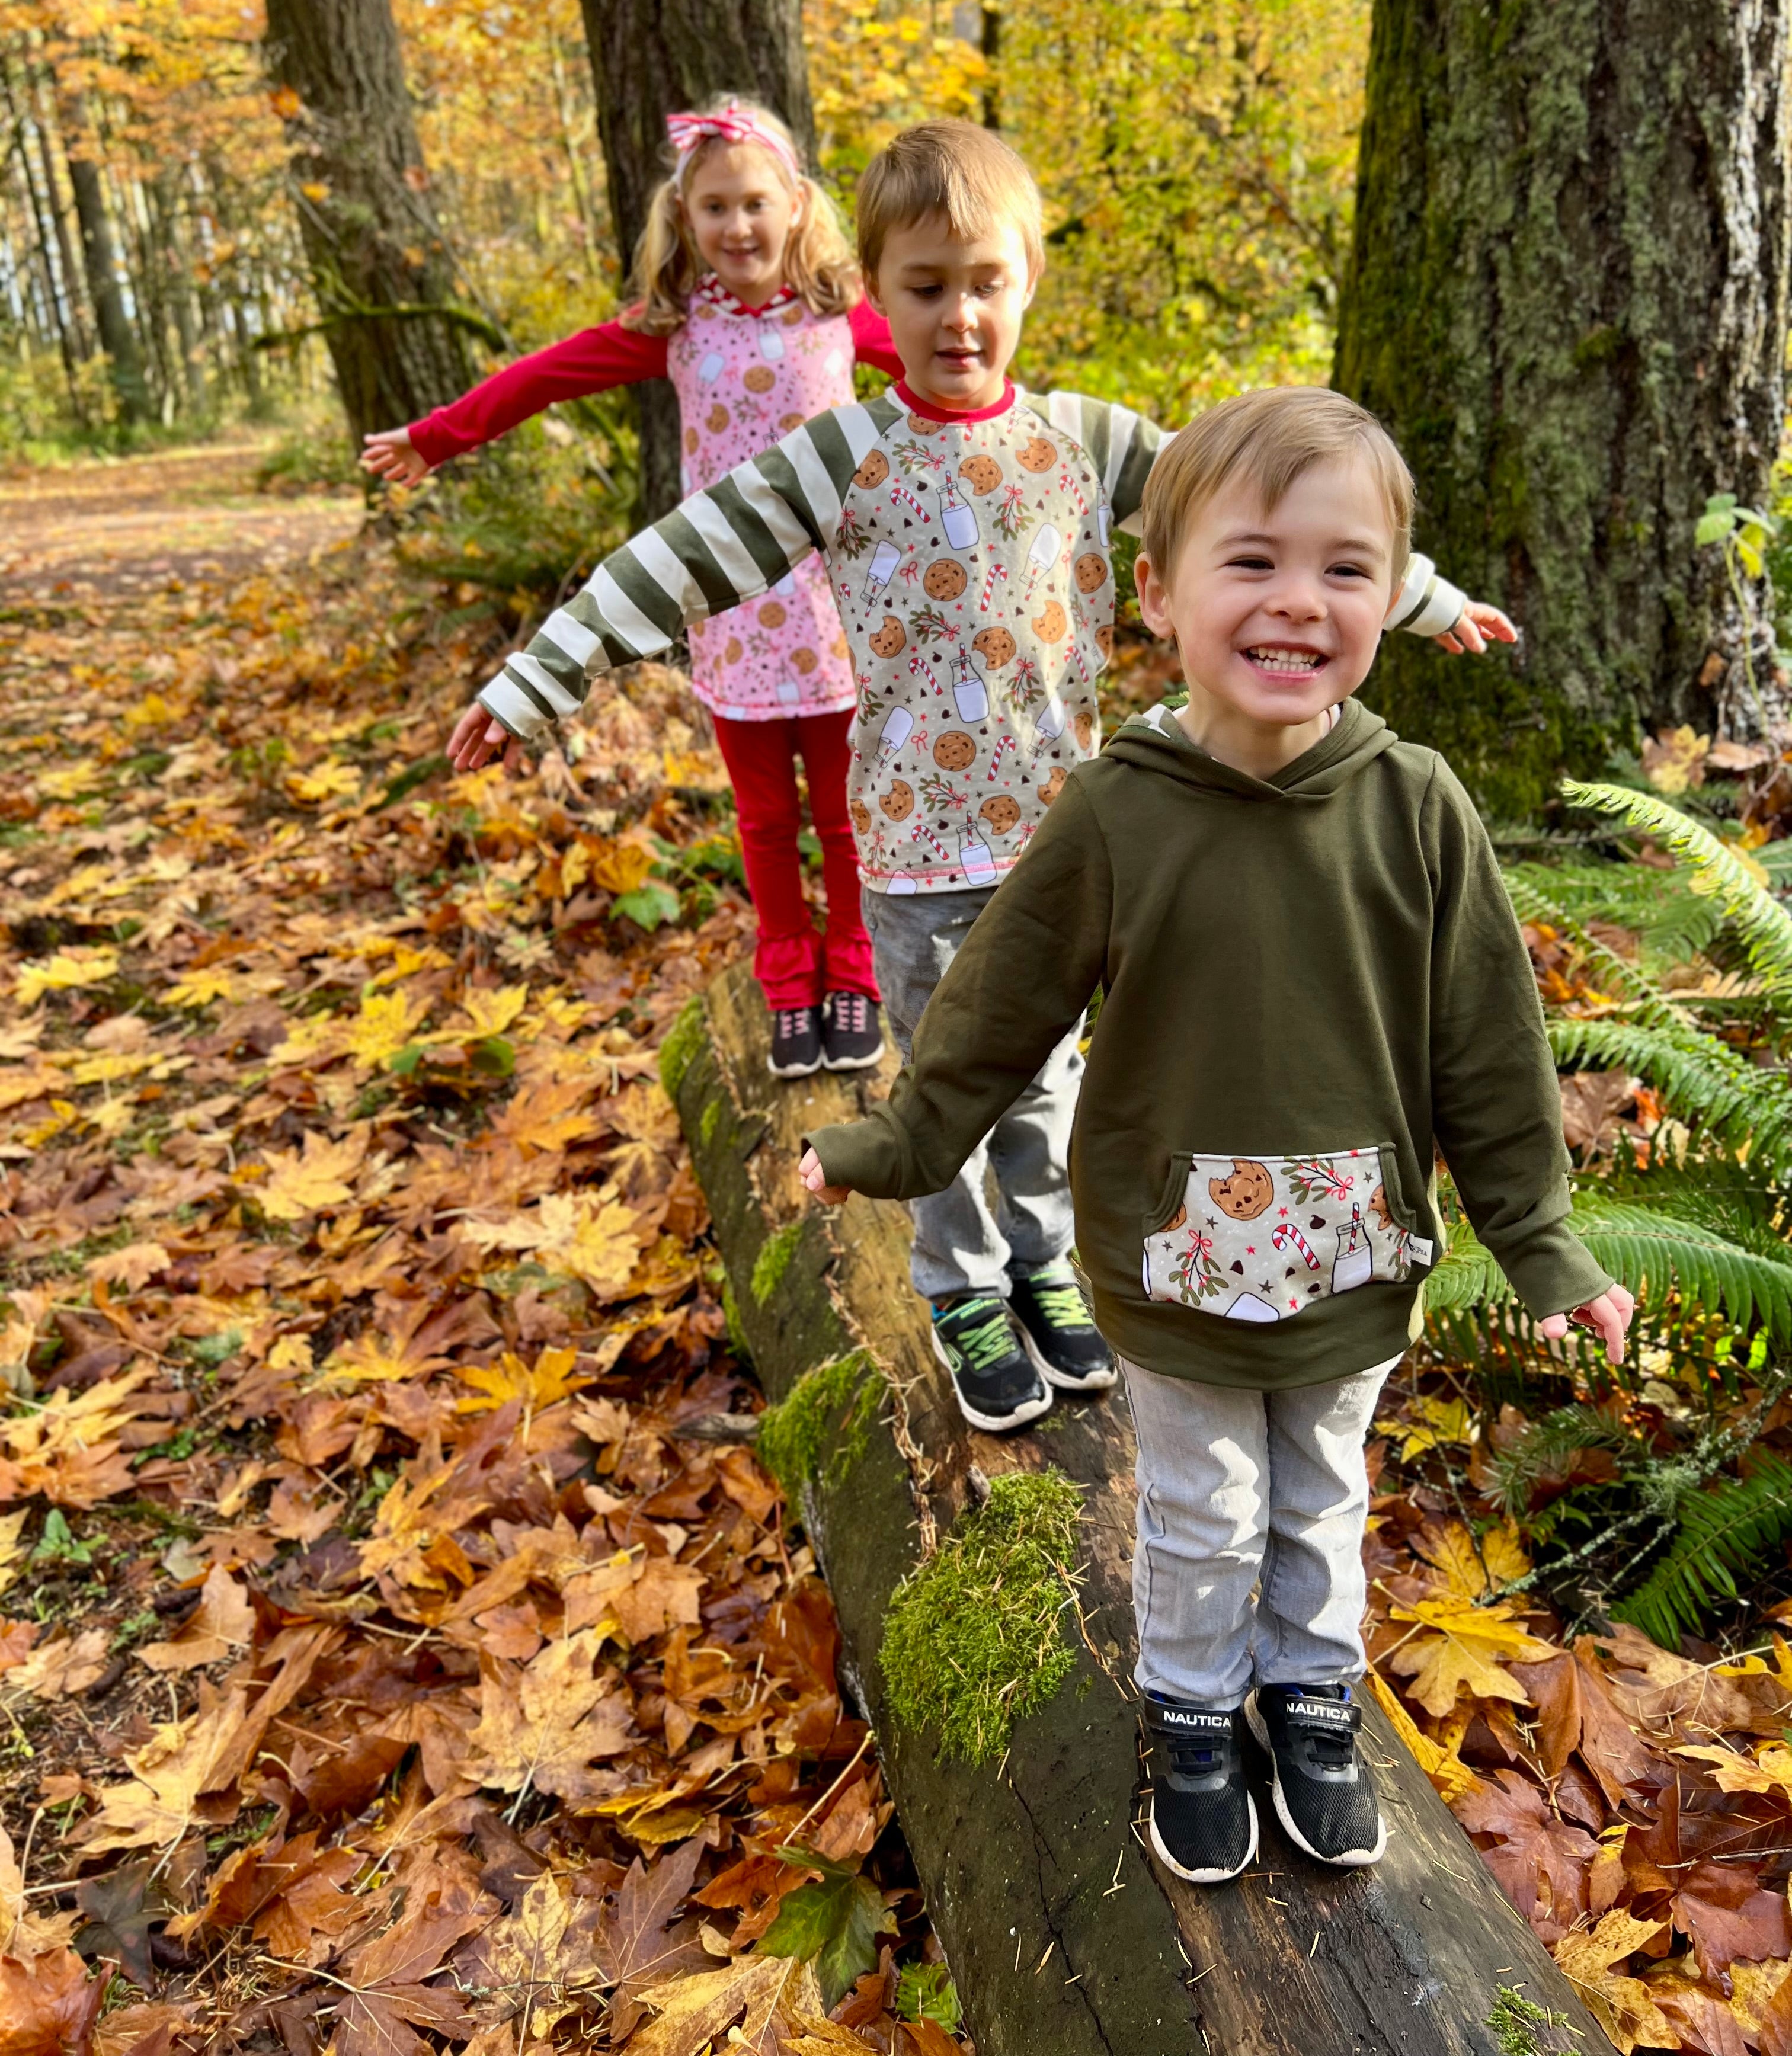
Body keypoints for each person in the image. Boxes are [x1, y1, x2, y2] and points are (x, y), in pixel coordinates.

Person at [443, 121, 1518, 1437]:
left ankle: (1045, 1268)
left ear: (1028, 281)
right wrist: (531, 682)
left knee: (1058, 1080)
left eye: (987, 283)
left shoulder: (1088, 440)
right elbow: (674, 562)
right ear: (876, 297)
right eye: (928, 287)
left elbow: (1263, 515)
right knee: (948, 1075)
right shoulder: (841, 456)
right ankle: (957, 1285)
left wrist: (1420, 595)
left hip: (1072, 845)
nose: (961, 317)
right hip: (912, 852)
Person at [796, 386, 1633, 1881]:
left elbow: (1488, 1053)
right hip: (1174, 1258)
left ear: (1389, 595)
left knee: (1322, 1492)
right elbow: (993, 1011)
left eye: (1345, 568)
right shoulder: (1121, 812)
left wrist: (1546, 1244)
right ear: (1158, 591)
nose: (1298, 602)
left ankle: (1308, 1698)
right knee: (1200, 1504)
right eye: (1252, 561)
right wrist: (896, 1147)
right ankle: (1191, 1707)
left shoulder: (1418, 809)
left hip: (1357, 1247)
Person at [364, 98, 900, 1080]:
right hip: (726, 607)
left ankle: (855, 974)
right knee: (764, 819)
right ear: (685, 220)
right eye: (715, 210)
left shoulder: (842, 316)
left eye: (755, 204)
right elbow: (544, 377)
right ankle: (788, 979)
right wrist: (437, 438)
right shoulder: (678, 327)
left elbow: (950, 376)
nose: (738, 229)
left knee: (844, 810)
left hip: (835, 607)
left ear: (794, 206)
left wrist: (1001, 448)